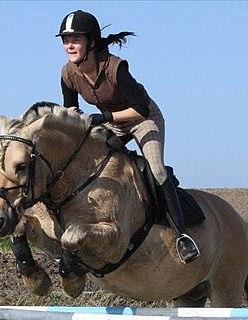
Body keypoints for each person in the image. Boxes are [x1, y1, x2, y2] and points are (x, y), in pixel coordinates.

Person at [56, 10, 200, 264]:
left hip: (144, 120)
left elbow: (141, 109)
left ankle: (183, 236)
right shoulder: (68, 73)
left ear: (90, 42)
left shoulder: (116, 67)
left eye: (75, 39)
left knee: (156, 171)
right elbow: (71, 109)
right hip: (113, 123)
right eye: (65, 39)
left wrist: (105, 118)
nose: (69, 45)